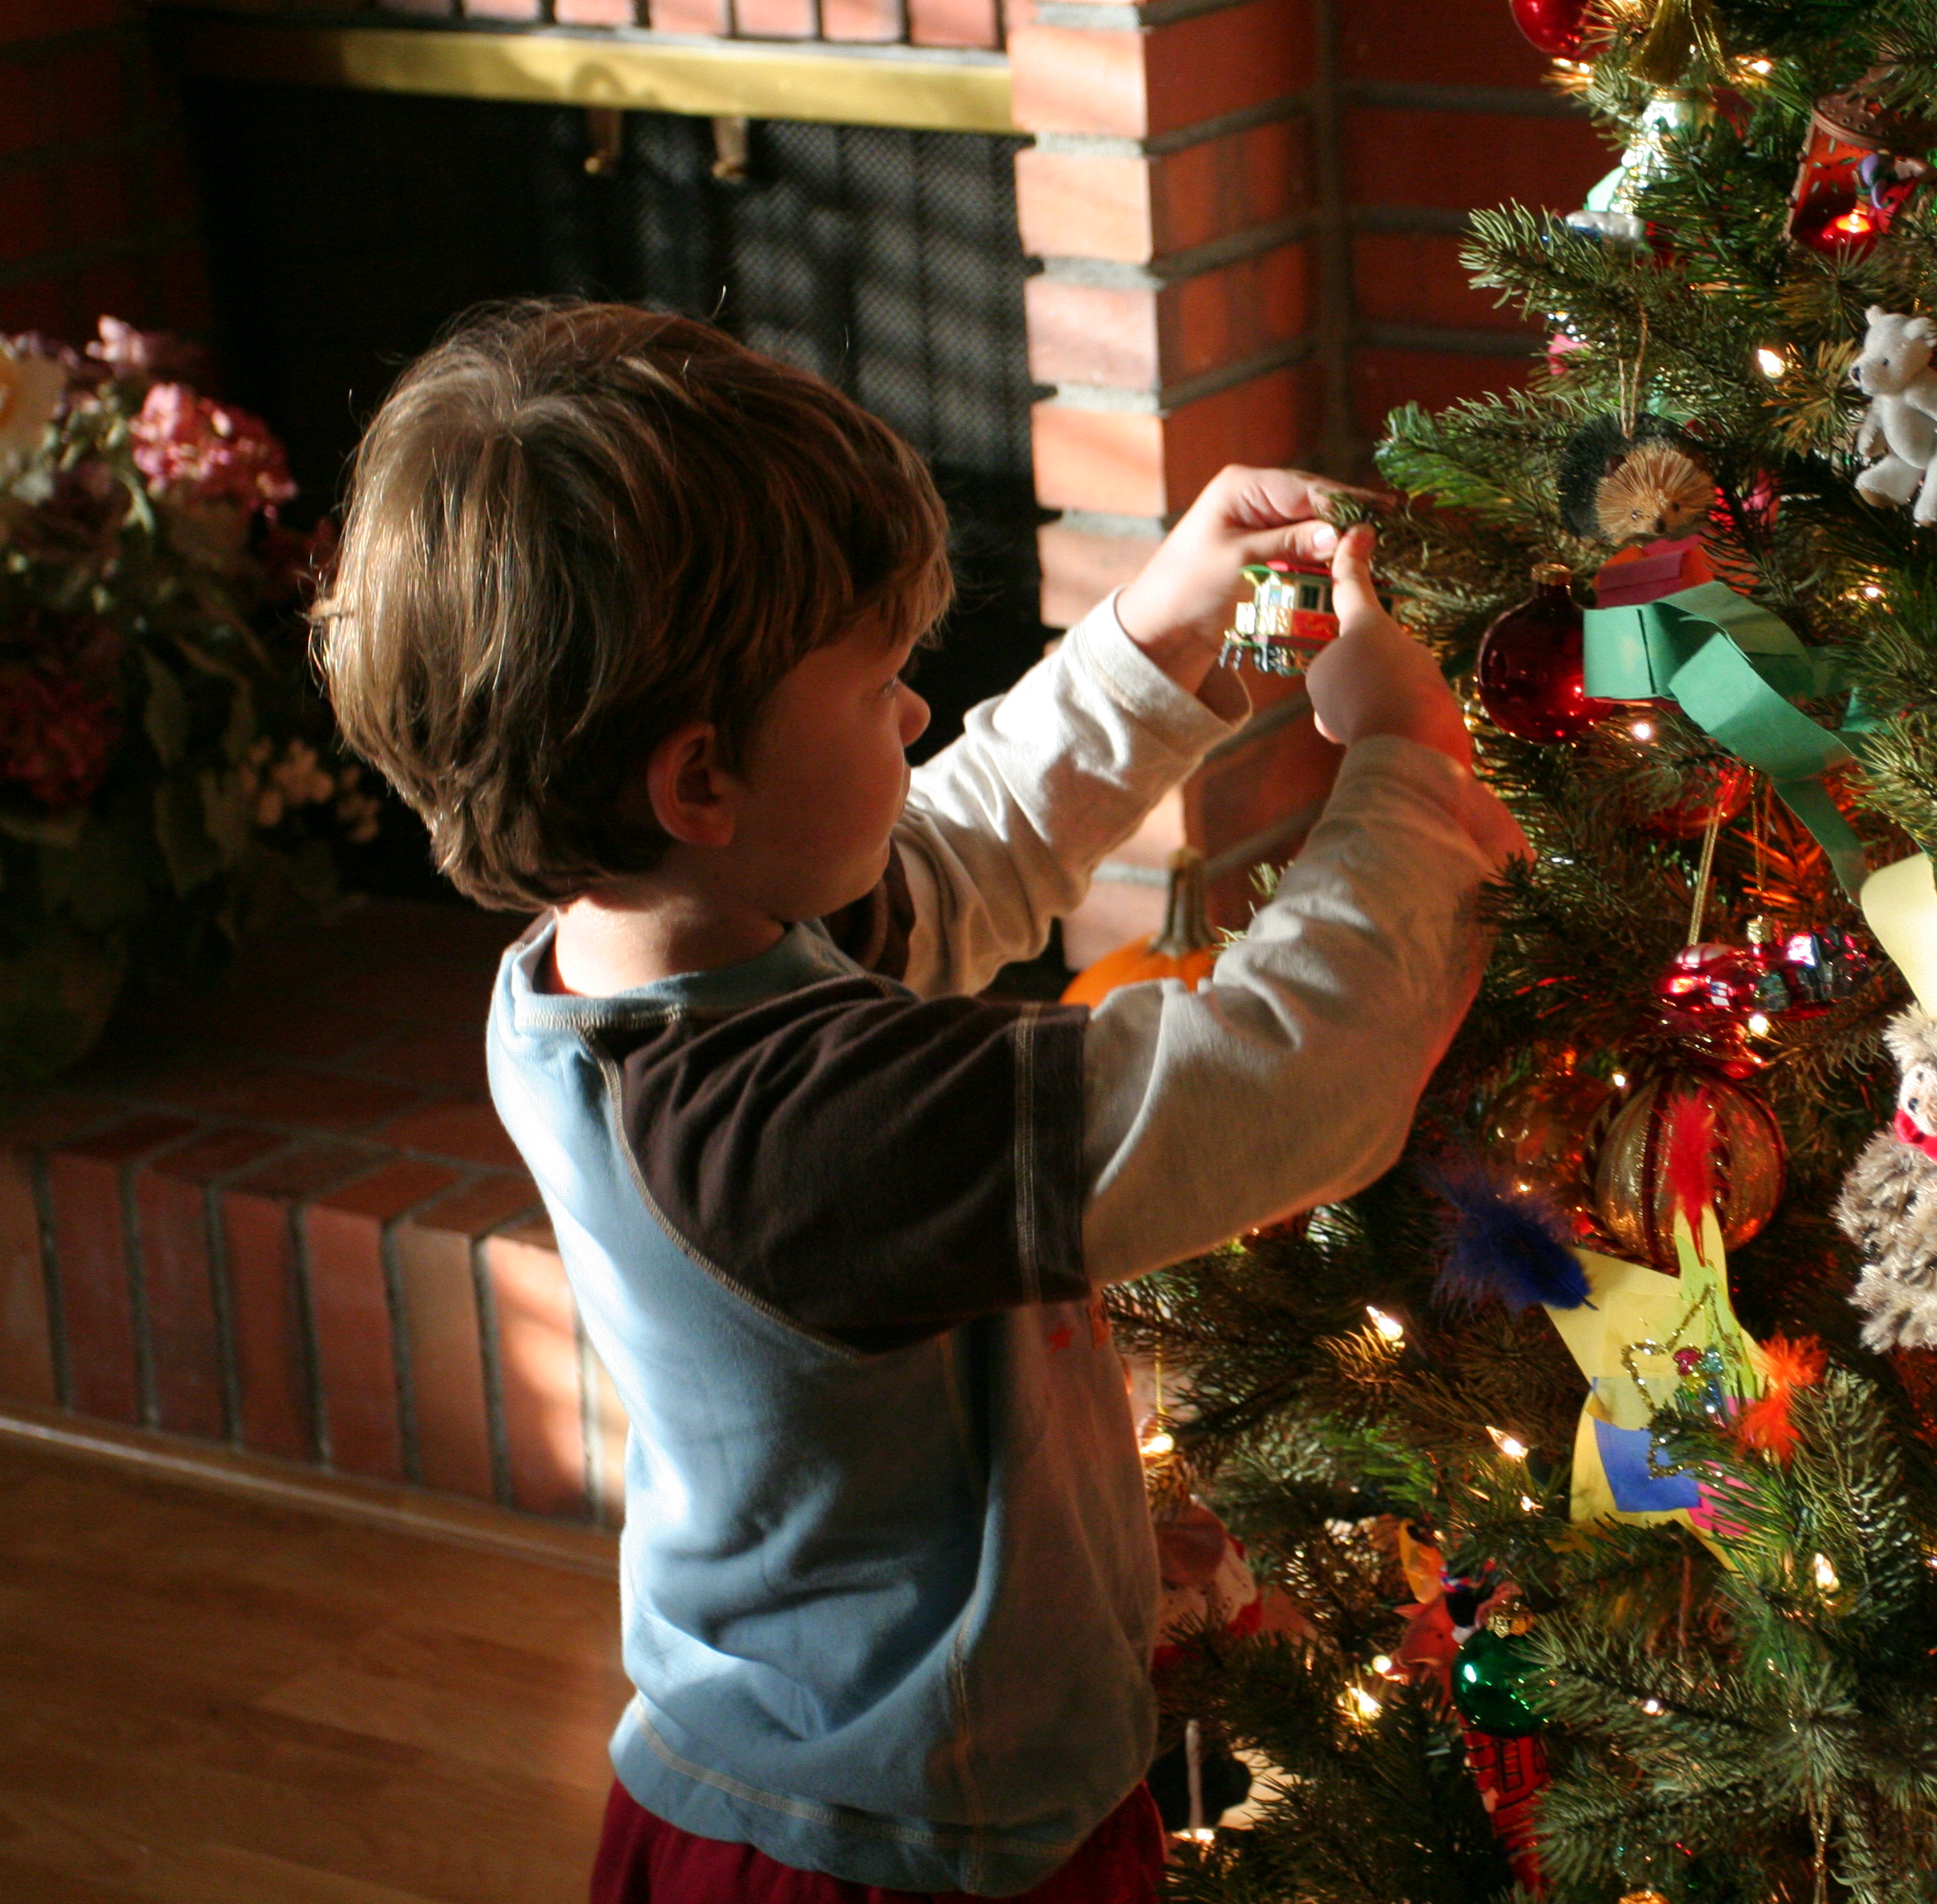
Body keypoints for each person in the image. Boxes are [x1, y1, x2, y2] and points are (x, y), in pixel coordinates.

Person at [312, 302, 1522, 1902]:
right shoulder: (791, 1133)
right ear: (701, 781)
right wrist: (1408, 772)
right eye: (880, 680)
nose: (913, 715)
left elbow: (954, 853)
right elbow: (1280, 1082)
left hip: (866, 1786)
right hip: (899, 1853)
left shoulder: (652, 951)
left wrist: (1163, 636)